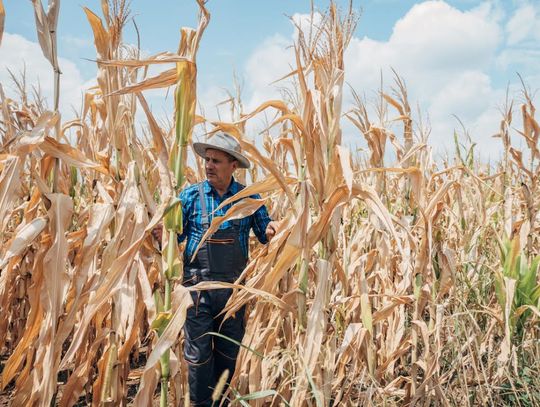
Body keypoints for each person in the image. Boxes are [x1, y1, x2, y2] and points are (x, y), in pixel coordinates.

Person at [175, 132, 277, 406]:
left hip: (233, 293)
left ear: (233, 165)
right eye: (207, 159)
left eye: (216, 161)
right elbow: (172, 236)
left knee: (229, 355)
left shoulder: (248, 197)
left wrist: (273, 229)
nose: (208, 165)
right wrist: (161, 231)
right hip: (197, 292)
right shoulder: (189, 196)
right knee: (198, 359)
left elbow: (265, 232)